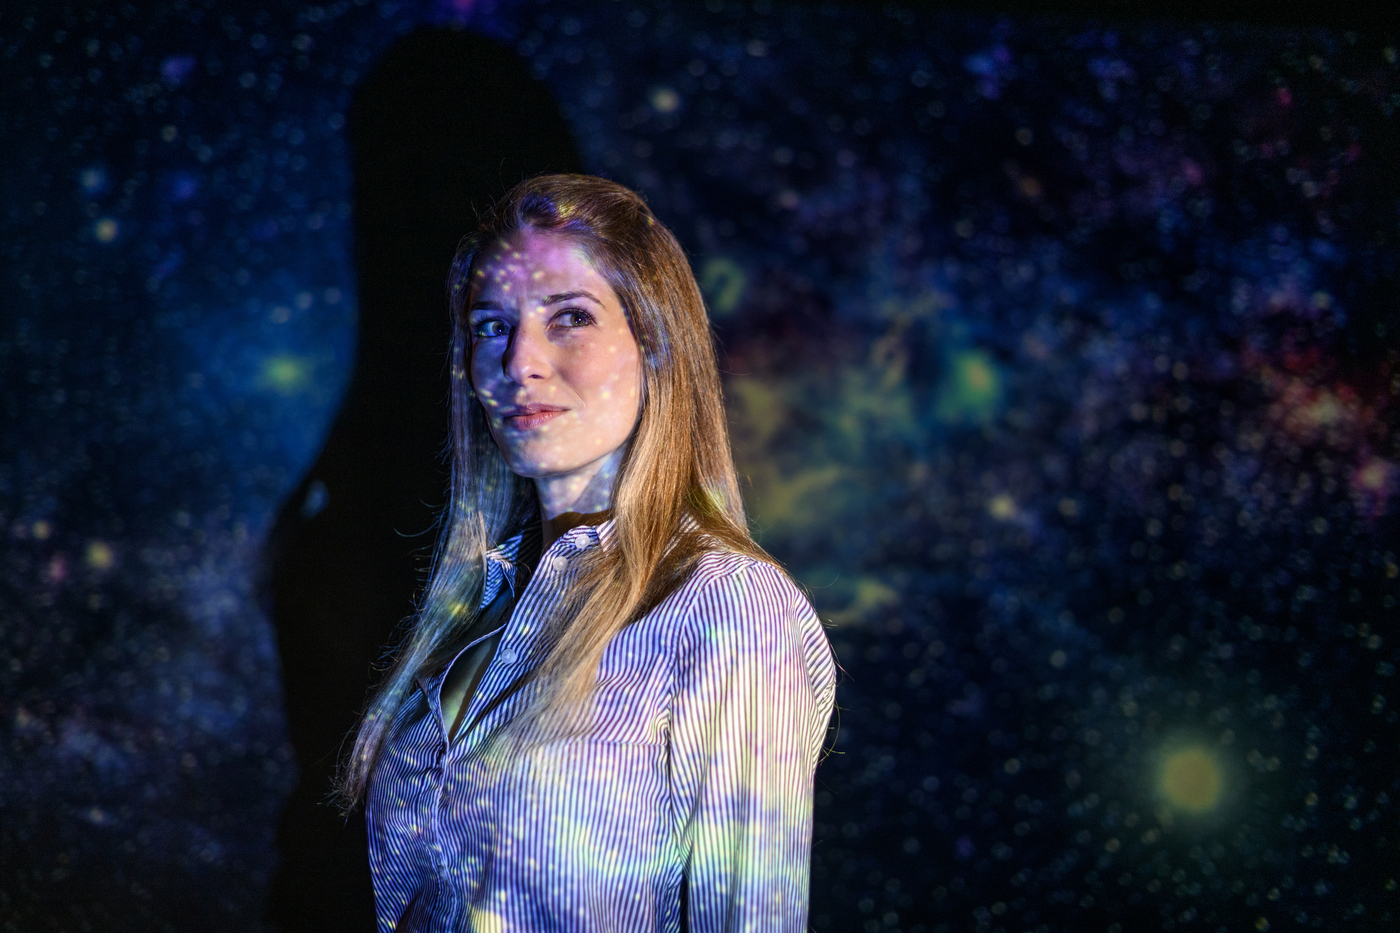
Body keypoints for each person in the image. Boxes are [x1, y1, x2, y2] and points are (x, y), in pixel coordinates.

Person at [334, 174, 837, 933]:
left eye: (569, 317)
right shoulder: (484, 608)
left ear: (657, 343)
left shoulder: (727, 606)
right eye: (491, 325)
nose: (521, 361)